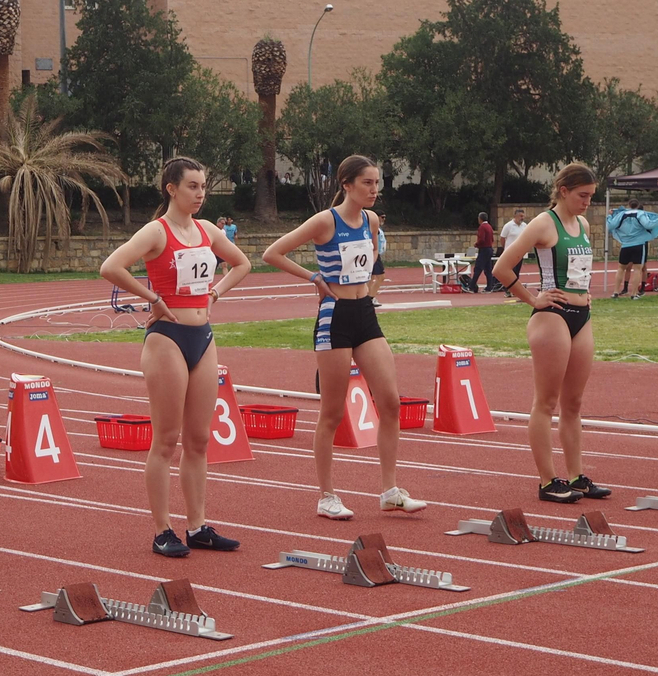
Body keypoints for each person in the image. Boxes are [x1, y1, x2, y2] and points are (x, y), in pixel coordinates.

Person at [101, 157, 253, 557]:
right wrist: (152, 297)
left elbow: (242, 263)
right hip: (166, 338)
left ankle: (198, 525)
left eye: (203, 187)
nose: (200, 194)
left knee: (199, 439)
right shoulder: (156, 231)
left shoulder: (206, 230)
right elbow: (110, 267)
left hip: (202, 337)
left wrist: (215, 293)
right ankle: (162, 529)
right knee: (166, 439)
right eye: (192, 186)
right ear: (171, 188)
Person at [264, 155, 427, 521]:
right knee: (332, 413)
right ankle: (327, 496)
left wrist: (366, 288)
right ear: (347, 185)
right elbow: (272, 253)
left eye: (377, 183)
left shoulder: (370, 221)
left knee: (390, 403)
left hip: (365, 313)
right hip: (334, 317)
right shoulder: (325, 221)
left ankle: (389, 491)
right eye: (367, 183)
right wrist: (314, 277)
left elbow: (367, 263)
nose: (374, 190)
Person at [492, 163, 612, 504]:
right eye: (582, 195)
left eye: (591, 195)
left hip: (582, 316)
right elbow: (502, 267)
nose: (588, 201)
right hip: (552, 318)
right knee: (546, 402)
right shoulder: (544, 223)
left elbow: (579, 269)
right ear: (563, 191)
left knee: (573, 403)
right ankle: (548, 481)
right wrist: (533, 297)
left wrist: (584, 292)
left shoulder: (583, 223)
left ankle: (576, 476)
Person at [607, 199, 658, 299]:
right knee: (637, 269)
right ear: (638, 206)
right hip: (639, 244)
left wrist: (610, 216)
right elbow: (648, 224)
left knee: (621, 268)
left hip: (625, 245)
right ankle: (633, 294)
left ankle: (615, 292)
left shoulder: (621, 214)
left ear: (628, 205)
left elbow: (611, 225)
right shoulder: (641, 214)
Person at [467, 212, 495, 291]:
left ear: (480, 219)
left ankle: (472, 286)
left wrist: (476, 244)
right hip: (489, 249)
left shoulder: (482, 227)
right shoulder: (489, 227)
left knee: (478, 268)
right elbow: (492, 239)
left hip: (484, 249)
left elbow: (482, 239)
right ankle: (490, 286)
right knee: (488, 269)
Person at [370, 211, 388, 303]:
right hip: (374, 255)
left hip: (376, 254)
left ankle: (368, 298)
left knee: (371, 277)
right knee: (380, 277)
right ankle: (371, 297)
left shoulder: (378, 229)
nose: (383, 219)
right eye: (382, 217)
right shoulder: (374, 229)